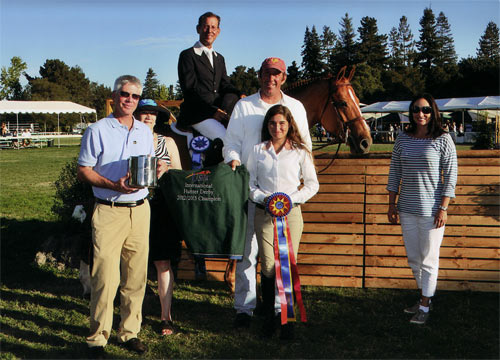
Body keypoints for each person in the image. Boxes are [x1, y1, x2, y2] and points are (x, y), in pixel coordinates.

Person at [77, 75, 167, 358]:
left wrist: (158, 171)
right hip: (108, 210)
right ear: (114, 96)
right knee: (105, 278)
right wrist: (113, 184)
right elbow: (84, 171)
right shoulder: (97, 130)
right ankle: (97, 338)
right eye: (125, 94)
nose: (130, 100)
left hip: (140, 210)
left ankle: (129, 332)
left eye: (135, 97)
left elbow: (148, 168)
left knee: (136, 277)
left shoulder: (144, 131)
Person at [223, 57, 312, 329]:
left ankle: (278, 310)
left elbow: (304, 144)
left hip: (282, 198)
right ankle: (245, 308)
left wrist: (293, 191)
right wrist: (234, 160)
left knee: (280, 258)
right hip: (249, 191)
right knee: (248, 252)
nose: (271, 79)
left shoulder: (295, 107)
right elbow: (231, 144)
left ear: (284, 78)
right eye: (266, 74)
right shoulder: (244, 105)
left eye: (277, 74)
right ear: (259, 76)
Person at [247, 104, 319, 339]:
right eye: (272, 123)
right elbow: (249, 184)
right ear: (267, 126)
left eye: (281, 124)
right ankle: (269, 315)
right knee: (268, 265)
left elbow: (312, 184)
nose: (277, 128)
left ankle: (285, 318)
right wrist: (265, 199)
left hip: (291, 215)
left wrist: (290, 199)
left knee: (287, 264)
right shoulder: (257, 150)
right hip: (264, 214)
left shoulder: (300, 151)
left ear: (289, 125)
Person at [387, 93, 458, 325]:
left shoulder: (443, 139)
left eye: (426, 110)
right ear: (411, 112)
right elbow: (394, 173)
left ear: (433, 112)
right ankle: (423, 298)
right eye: (417, 109)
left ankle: (425, 306)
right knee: (414, 259)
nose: (421, 114)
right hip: (407, 209)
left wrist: (443, 208)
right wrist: (392, 204)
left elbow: (450, 176)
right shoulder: (402, 138)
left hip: (432, 212)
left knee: (429, 259)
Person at [134, 99, 182, 336]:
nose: (148, 117)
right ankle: (133, 315)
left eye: (153, 113)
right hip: (134, 203)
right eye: (144, 113)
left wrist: (167, 170)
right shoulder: (128, 141)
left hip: (162, 206)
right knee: (133, 263)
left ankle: (166, 317)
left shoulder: (167, 142)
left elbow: (180, 175)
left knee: (163, 263)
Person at [177, 11, 242, 142]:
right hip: (197, 114)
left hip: (219, 111)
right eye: (206, 26)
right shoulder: (187, 55)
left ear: (218, 31)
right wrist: (211, 111)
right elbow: (189, 90)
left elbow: (224, 84)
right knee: (227, 140)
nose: (209, 31)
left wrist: (241, 94)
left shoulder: (220, 58)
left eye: (213, 27)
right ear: (198, 28)